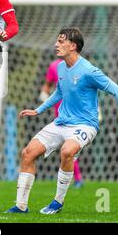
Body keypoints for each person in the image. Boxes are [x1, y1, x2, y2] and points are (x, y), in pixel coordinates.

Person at [6, 27, 118, 214]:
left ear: (73, 46)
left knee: (67, 151)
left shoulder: (89, 71)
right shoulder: (59, 67)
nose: (56, 45)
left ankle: (57, 202)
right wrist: (38, 110)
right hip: (61, 122)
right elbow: (59, 92)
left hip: (85, 125)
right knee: (27, 153)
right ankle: (20, 206)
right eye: (57, 41)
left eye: (61, 41)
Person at [39, 58, 85, 188]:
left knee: (70, 145)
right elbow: (47, 84)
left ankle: (76, 179)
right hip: (62, 109)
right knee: (68, 144)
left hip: (74, 109)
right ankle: (77, 179)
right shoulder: (55, 66)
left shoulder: (79, 66)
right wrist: (44, 95)